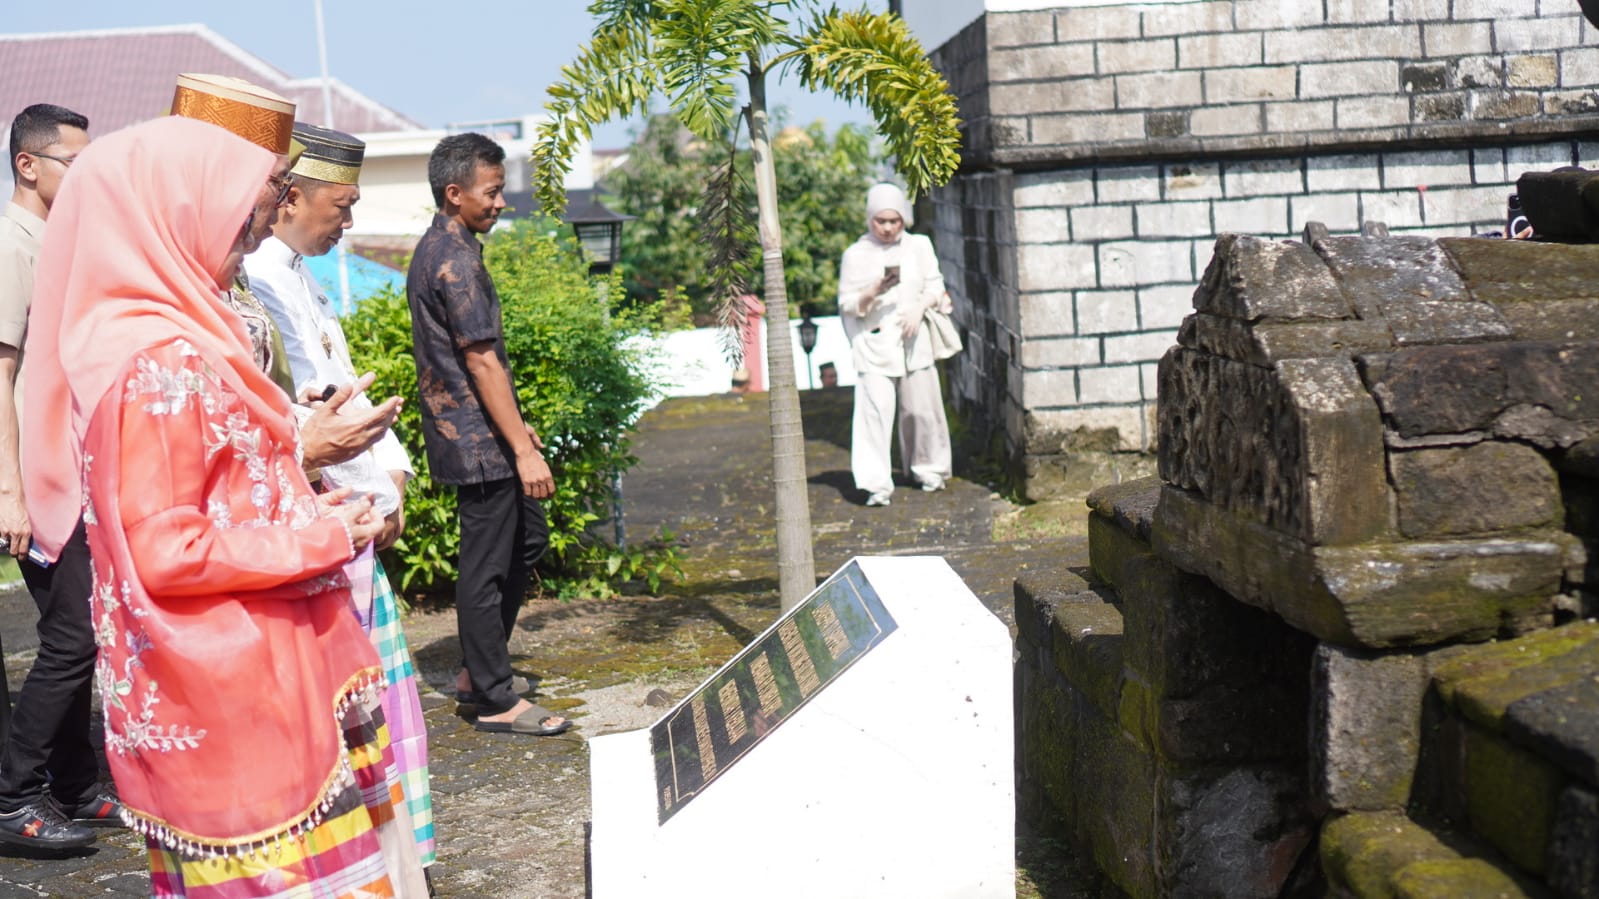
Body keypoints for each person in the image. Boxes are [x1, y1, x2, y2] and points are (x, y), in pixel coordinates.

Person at [23, 113, 428, 896]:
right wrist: (320, 534)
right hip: (235, 690)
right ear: (176, 214)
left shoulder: (175, 340)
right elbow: (168, 550)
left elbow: (221, 492)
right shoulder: (157, 363)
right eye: (238, 213)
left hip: (249, 673)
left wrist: (307, 485)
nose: (250, 232)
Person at [245, 122, 435, 869]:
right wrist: (369, 497)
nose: (349, 223)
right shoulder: (258, 280)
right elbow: (303, 417)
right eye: (343, 205)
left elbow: (344, 388)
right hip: (323, 516)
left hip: (354, 511)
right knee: (342, 716)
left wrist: (392, 484)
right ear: (290, 197)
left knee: (374, 709)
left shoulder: (299, 273)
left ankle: (392, 859)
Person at [406, 133, 570, 737]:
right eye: (492, 192)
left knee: (527, 540)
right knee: (486, 566)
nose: (501, 203)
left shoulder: (449, 248)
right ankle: (493, 697)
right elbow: (480, 361)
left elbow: (480, 359)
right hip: (475, 442)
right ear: (455, 193)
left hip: (483, 433)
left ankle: (480, 671)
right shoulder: (453, 258)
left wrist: (516, 427)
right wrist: (522, 450)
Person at [170, 73, 402, 474]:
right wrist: (301, 450)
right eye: (277, 184)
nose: (279, 205)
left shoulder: (238, 273)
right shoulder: (158, 290)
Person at [0, 103, 120, 852]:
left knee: (80, 629)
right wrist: (8, 490)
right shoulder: (11, 245)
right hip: (33, 480)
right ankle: (13, 796)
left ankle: (75, 784)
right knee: (73, 635)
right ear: (28, 164)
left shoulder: (54, 241)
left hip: (67, 471)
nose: (85, 177)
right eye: (74, 164)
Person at [837, 183, 953, 507]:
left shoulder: (919, 246)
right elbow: (847, 304)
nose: (888, 228)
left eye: (894, 220)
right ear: (870, 219)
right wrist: (873, 290)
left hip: (914, 338)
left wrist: (919, 308)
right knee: (875, 412)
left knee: (922, 409)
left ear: (904, 218)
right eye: (881, 221)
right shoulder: (855, 255)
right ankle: (875, 484)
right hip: (874, 342)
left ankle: (929, 469)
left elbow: (935, 285)